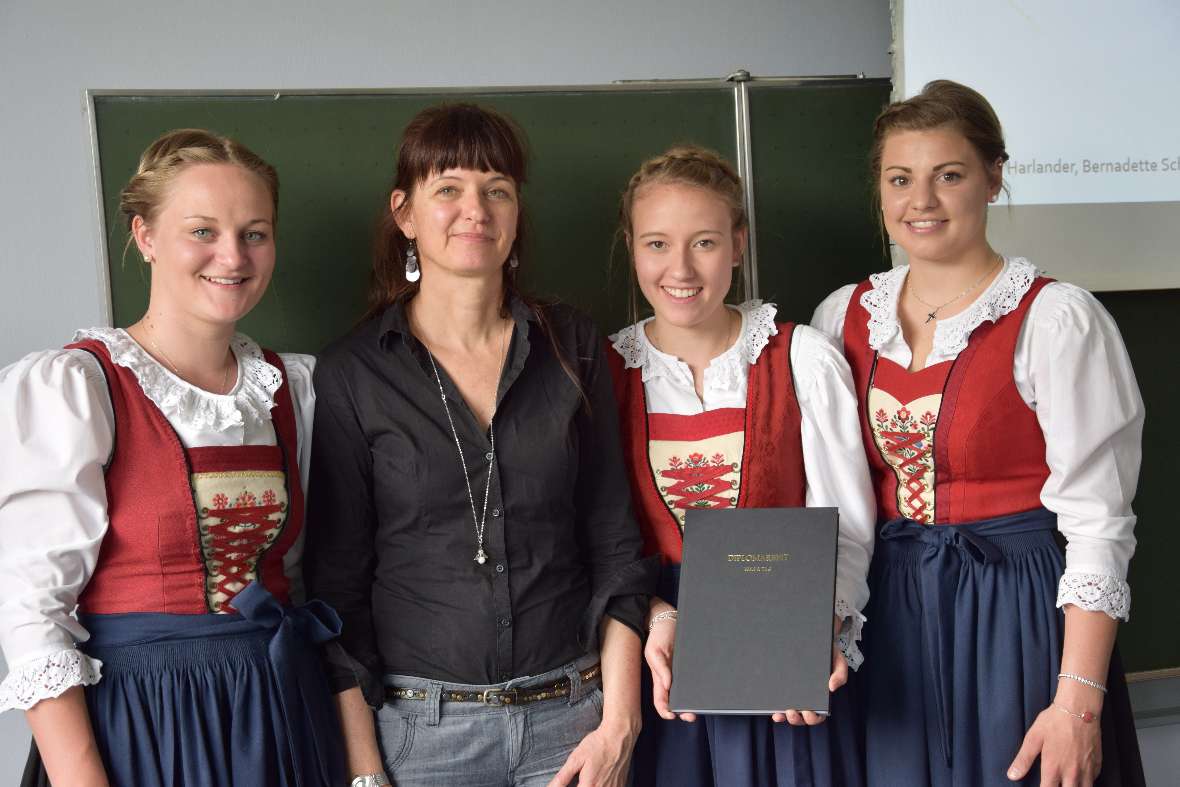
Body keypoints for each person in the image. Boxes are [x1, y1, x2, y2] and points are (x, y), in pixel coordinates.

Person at [304, 103, 657, 787]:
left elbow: (615, 541)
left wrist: (620, 722)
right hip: (421, 735)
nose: (477, 208)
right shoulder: (354, 371)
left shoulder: (571, 344)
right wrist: (367, 773)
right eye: (449, 189)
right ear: (404, 212)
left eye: (498, 189)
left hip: (571, 724)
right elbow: (335, 590)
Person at [811, 80, 1147, 786]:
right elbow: (830, 502)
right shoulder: (841, 316)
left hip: (1015, 607)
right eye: (900, 178)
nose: (921, 201)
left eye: (950, 175)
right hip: (886, 607)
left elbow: (1099, 523)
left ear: (994, 179)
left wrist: (1077, 699)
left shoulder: (1056, 320)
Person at [0, 129, 343, 786]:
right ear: (146, 236)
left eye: (255, 232)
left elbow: (294, 576)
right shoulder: (79, 387)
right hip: (144, 723)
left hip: (281, 712)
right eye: (202, 231)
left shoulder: (289, 387)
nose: (232, 255)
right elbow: (33, 614)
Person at [606, 145, 876, 787]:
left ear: (737, 245)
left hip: (782, 649)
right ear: (631, 247)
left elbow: (846, 527)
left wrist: (816, 627)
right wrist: (654, 614)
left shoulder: (800, 358)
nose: (680, 268)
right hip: (655, 663)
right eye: (656, 244)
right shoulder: (606, 374)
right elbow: (596, 539)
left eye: (703, 242)